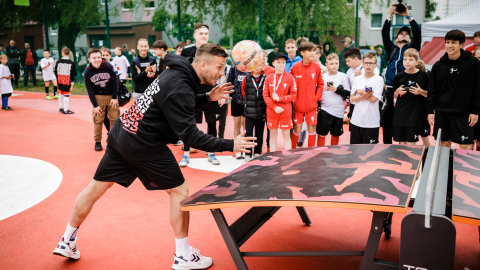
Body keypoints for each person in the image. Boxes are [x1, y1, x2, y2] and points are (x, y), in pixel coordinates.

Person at [52, 44, 256, 270]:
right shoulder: (180, 85)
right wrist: (230, 144)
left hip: (122, 133)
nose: (222, 72)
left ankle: (67, 239)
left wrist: (207, 96)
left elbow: (177, 101)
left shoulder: (177, 71)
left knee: (94, 187)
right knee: (180, 191)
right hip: (143, 143)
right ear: (203, 64)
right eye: (219, 67)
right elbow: (190, 135)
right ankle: (183, 256)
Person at [427, 30, 480, 150]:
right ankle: (446, 170)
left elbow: (477, 89)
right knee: (444, 146)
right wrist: (430, 111)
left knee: (467, 146)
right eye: (447, 42)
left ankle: (465, 170)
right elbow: (432, 91)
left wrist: (475, 111)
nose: (449, 45)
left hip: (464, 113)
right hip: (442, 113)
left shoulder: (473, 63)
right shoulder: (438, 66)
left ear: (461, 45)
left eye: (453, 42)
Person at [381, 3, 421, 145]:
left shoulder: (413, 49)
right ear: (397, 39)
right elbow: (384, 33)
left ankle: (406, 146)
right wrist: (390, 15)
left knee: (404, 120)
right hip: (391, 89)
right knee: (387, 120)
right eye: (401, 34)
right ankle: (387, 147)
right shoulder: (391, 49)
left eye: (406, 34)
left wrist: (408, 16)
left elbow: (417, 32)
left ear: (409, 39)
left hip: (408, 89)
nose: (404, 35)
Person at [84, 48, 120, 151]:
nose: (97, 60)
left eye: (99, 57)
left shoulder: (109, 66)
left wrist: (114, 97)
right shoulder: (87, 71)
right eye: (94, 58)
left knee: (114, 119)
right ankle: (97, 141)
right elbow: (89, 89)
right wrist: (95, 105)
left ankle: (113, 141)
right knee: (98, 120)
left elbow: (115, 82)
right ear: (89, 59)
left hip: (111, 96)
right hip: (98, 97)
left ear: (102, 57)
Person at [290, 41, 324, 148]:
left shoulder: (317, 67)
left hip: (312, 105)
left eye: (314, 51)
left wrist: (316, 98)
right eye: (309, 51)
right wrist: (293, 99)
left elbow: (321, 84)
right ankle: (292, 149)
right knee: (297, 129)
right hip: (298, 105)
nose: (312, 53)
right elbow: (290, 84)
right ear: (302, 52)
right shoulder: (295, 67)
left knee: (312, 128)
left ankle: (310, 152)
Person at [392, 49, 429, 145]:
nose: (407, 62)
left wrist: (421, 92)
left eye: (410, 59)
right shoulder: (398, 76)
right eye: (405, 59)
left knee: (411, 145)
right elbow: (393, 95)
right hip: (400, 115)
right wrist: (397, 92)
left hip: (415, 116)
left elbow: (431, 94)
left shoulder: (424, 75)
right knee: (402, 145)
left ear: (417, 62)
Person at [263, 52, 297, 152]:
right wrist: (274, 107)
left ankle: (287, 158)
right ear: (273, 63)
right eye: (278, 62)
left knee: (286, 135)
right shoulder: (268, 78)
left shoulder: (290, 77)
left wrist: (280, 99)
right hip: (272, 111)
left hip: (285, 111)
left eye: (283, 62)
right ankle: (273, 156)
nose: (281, 64)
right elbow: (265, 95)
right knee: (272, 135)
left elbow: (293, 95)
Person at [349, 52, 384, 144]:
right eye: (366, 63)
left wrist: (359, 92)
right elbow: (351, 99)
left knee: (369, 153)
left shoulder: (379, 79)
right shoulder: (357, 79)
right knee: (354, 152)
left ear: (375, 65)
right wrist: (364, 96)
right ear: (363, 64)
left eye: (371, 63)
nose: (368, 65)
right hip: (356, 121)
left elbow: (373, 99)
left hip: (371, 122)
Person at [317, 53, 350, 146]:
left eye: (336, 63)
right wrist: (318, 106)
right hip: (325, 110)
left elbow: (348, 92)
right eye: (331, 64)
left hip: (338, 111)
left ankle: (333, 153)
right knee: (321, 134)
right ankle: (319, 153)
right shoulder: (323, 77)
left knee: (335, 135)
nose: (334, 65)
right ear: (326, 65)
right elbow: (318, 93)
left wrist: (336, 90)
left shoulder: (343, 76)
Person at [241, 52, 268, 161]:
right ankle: (248, 153)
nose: (258, 67)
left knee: (259, 133)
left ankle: (257, 152)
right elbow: (243, 92)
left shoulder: (266, 78)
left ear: (263, 66)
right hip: (249, 111)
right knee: (248, 133)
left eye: (260, 65)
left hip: (261, 111)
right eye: (256, 64)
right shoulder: (246, 78)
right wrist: (247, 104)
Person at [226, 64, 247, 159]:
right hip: (236, 101)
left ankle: (245, 148)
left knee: (246, 126)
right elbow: (229, 82)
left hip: (248, 102)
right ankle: (237, 149)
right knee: (236, 125)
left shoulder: (250, 67)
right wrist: (233, 95)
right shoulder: (234, 67)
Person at [414, 59, 432, 147]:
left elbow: (432, 95)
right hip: (413, 110)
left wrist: (421, 92)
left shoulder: (429, 77)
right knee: (411, 137)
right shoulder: (409, 76)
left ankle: (429, 155)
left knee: (424, 136)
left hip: (424, 110)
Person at [54, 47, 77, 114]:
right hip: (67, 80)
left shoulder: (58, 62)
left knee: (61, 93)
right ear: (69, 54)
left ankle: (61, 107)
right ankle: (66, 109)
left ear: (62, 53)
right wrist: (72, 81)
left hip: (60, 79)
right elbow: (73, 73)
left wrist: (57, 78)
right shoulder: (71, 63)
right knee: (67, 94)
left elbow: (55, 71)